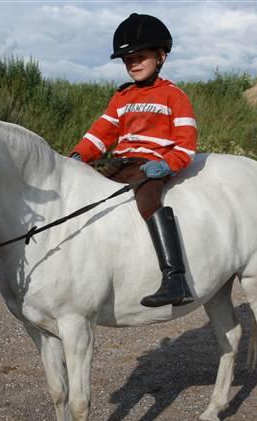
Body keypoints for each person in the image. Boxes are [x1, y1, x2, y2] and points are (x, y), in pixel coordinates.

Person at [70, 13, 197, 308]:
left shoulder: (174, 96)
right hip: (122, 162)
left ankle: (175, 279)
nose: (133, 64)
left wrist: (166, 165)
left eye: (140, 56)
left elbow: (186, 145)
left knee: (148, 200)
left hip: (152, 164)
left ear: (161, 56)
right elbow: (100, 134)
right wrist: (79, 156)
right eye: (127, 59)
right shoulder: (121, 97)